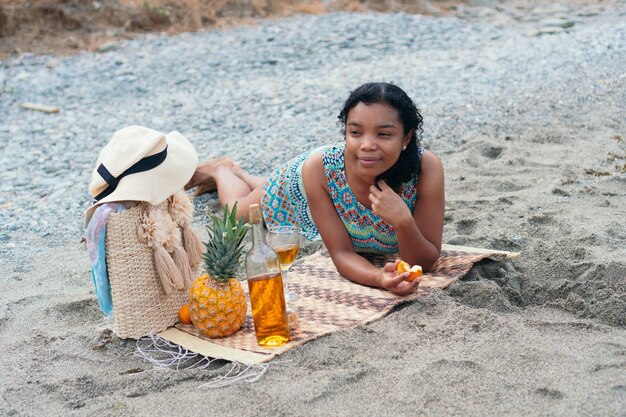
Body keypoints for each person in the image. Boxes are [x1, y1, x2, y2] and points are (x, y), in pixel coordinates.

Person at [185, 82, 444, 295]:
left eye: (383, 134)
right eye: (355, 132)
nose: (367, 145)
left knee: (258, 193)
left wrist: (403, 222)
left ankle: (240, 173)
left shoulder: (426, 168)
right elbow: (341, 253)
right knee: (238, 214)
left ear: (406, 138)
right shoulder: (320, 168)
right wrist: (379, 278)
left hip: (319, 194)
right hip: (298, 183)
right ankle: (221, 169)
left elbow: (425, 260)